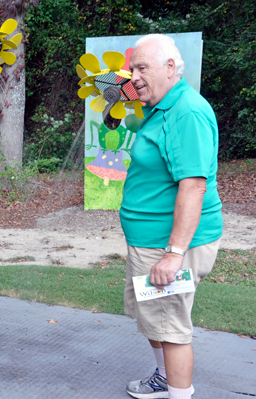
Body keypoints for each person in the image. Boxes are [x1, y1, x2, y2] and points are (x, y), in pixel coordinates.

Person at [120, 34, 223, 399]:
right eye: (132, 68)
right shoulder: (160, 103)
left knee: (171, 328)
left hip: (170, 245)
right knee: (153, 319)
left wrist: (174, 252)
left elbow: (193, 186)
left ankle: (179, 393)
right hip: (148, 240)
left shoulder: (186, 112)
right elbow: (117, 95)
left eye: (142, 67)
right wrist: (120, 89)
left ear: (170, 68)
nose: (134, 76)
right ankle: (164, 378)